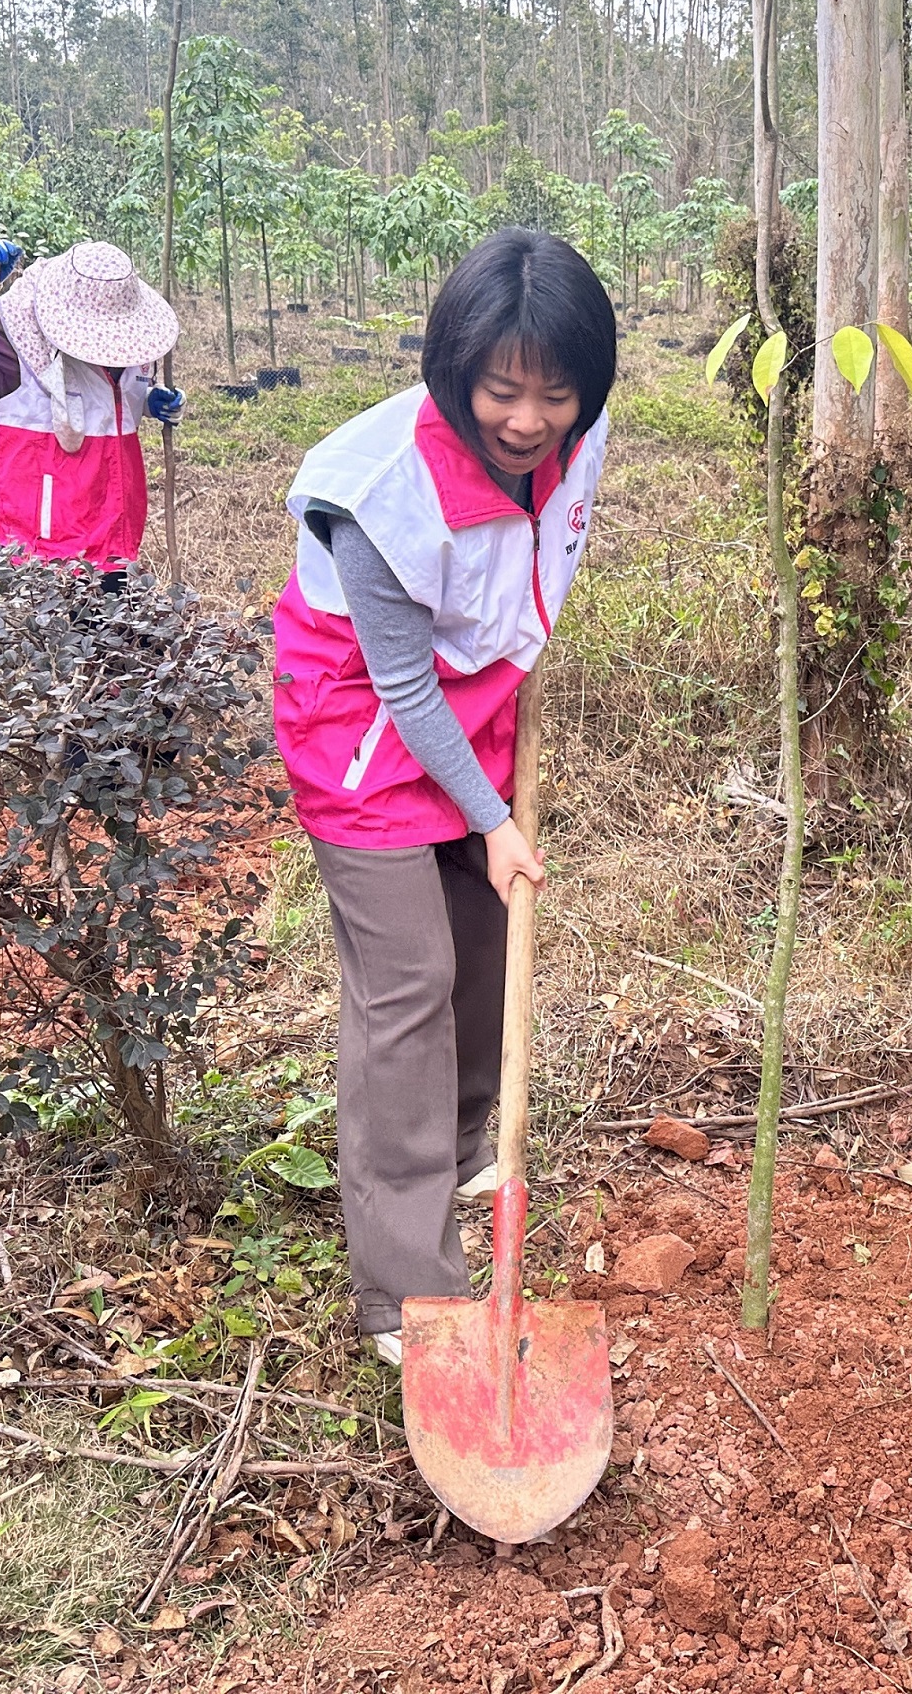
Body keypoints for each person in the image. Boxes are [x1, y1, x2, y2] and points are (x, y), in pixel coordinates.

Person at [271, 227, 614, 1366]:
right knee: (407, 987)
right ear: (452, 367)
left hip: (481, 706)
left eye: (554, 395)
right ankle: (405, 1290)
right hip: (363, 730)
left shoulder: (581, 434)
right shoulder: (378, 490)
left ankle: (468, 1142)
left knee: (479, 948)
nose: (526, 422)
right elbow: (402, 687)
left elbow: (542, 540)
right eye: (500, 391)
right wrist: (490, 820)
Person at [0, 238, 186, 567]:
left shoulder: (134, 344)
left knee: (114, 618)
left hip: (116, 539)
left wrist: (149, 401)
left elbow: (108, 399)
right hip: (41, 554)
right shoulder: (13, 340)